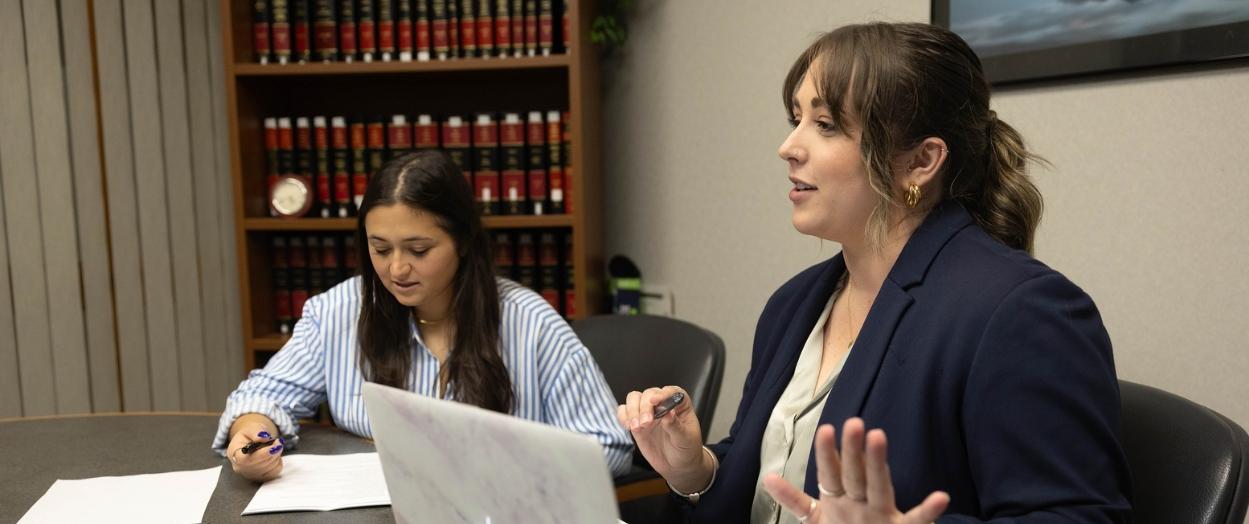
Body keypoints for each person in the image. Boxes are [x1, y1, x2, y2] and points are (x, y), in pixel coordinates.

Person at [618, 22, 1132, 523]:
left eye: (825, 125)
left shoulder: (1023, 311)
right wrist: (697, 470)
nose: (789, 146)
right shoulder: (793, 303)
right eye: (795, 118)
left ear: (920, 162)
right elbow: (775, 486)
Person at [214, 150, 632, 482]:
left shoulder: (532, 324)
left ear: (463, 241)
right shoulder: (338, 311)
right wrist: (252, 434)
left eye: (418, 251)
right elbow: (263, 395)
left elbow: (608, 445)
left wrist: (507, 464)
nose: (396, 269)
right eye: (380, 249)